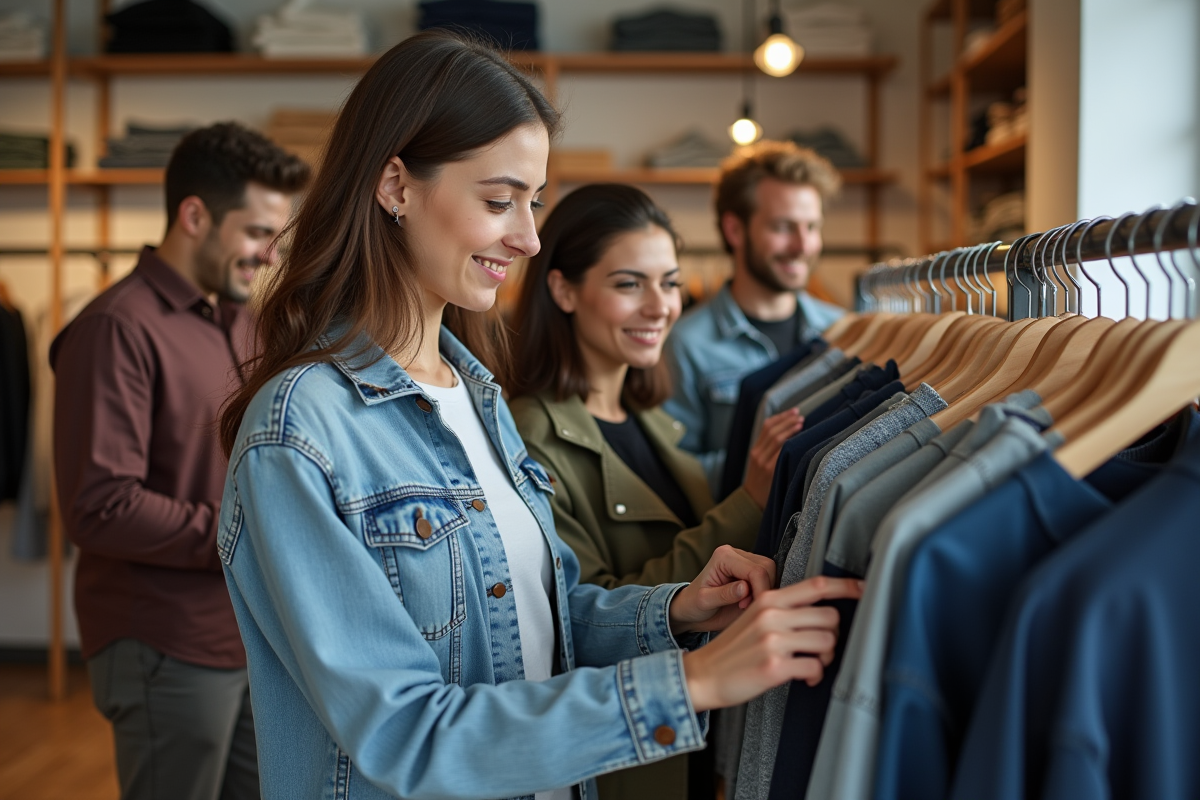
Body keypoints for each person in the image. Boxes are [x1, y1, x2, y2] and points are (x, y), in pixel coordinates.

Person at [215, 31, 861, 800]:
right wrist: (690, 684)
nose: (527, 238)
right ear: (395, 185)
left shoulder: (476, 396)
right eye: (499, 201)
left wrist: (679, 607)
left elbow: (535, 623)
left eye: (534, 203)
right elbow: (404, 733)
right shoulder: (302, 432)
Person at [508, 183, 806, 800]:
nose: (659, 307)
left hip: (686, 742)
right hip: (625, 759)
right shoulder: (535, 436)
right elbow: (580, 617)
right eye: (628, 284)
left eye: (669, 282)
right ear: (563, 290)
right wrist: (747, 503)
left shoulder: (650, 415)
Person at [51, 123, 310, 800]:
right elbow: (102, 506)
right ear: (194, 215)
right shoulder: (116, 328)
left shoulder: (244, 322)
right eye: (256, 233)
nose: (267, 254)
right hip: (164, 641)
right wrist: (249, 534)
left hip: (249, 635)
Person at [664, 141, 846, 491]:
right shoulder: (686, 344)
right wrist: (761, 466)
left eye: (812, 227)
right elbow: (675, 468)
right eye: (783, 227)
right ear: (735, 230)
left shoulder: (845, 330)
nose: (803, 245)